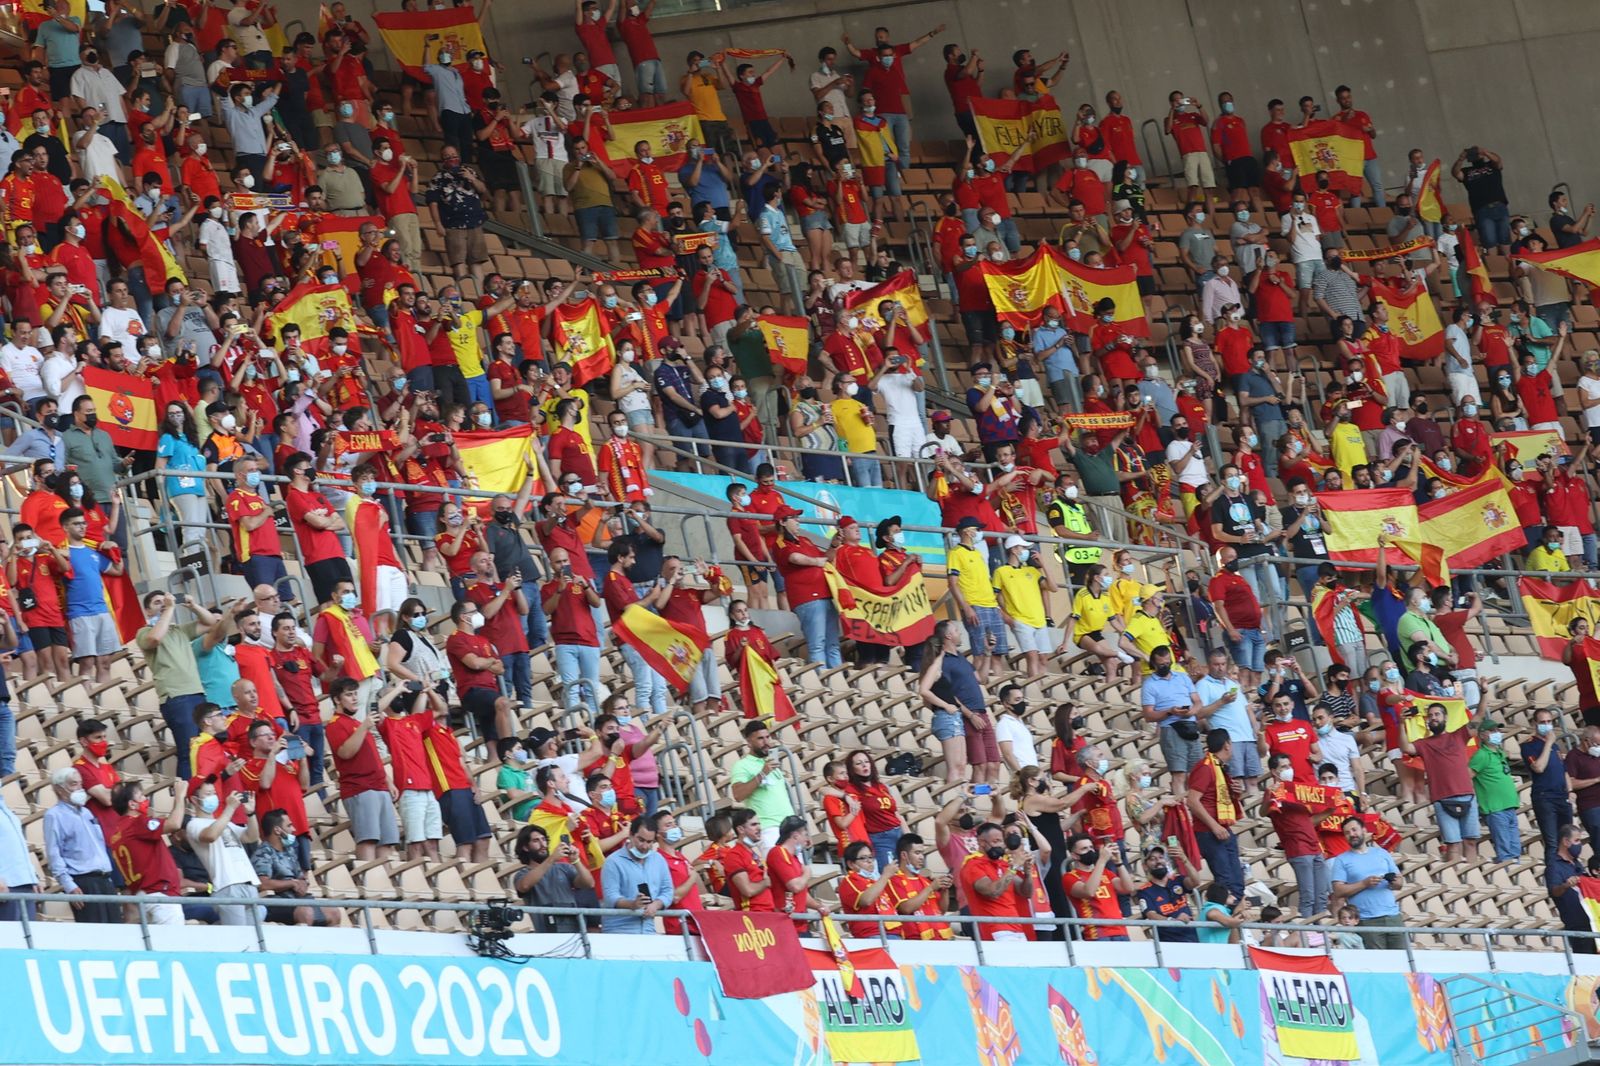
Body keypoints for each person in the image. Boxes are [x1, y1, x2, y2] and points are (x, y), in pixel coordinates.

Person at [322, 677, 400, 862]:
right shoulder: (335, 723)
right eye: (349, 694)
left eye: (355, 693)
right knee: (368, 840)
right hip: (360, 787)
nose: (355, 698)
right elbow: (346, 753)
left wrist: (388, 781)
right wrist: (364, 726)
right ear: (336, 699)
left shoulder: (357, 723)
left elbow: (372, 757)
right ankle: (372, 884)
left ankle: (386, 884)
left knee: (387, 843)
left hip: (379, 786)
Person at [135, 591, 209, 780]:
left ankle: (205, 792)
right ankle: (186, 796)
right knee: (188, 750)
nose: (162, 604)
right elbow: (155, 639)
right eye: (157, 603)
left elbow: (210, 622)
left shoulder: (179, 630)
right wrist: (169, 609)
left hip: (197, 693)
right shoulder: (143, 632)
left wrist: (194, 606)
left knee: (205, 748)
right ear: (147, 611)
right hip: (176, 697)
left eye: (164, 601)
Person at [919, 619, 999, 785]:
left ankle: (987, 801)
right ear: (948, 635)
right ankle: (971, 803)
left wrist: (987, 652)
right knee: (978, 765)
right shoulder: (943, 662)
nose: (960, 632)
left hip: (981, 712)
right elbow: (945, 692)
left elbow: (982, 679)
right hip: (966, 714)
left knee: (993, 764)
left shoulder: (960, 657)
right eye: (956, 630)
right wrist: (968, 714)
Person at [1399, 701, 1481, 862]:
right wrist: (1402, 724)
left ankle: (1473, 877)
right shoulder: (1424, 743)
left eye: (1437, 714)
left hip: (1468, 796)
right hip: (1443, 799)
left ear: (1446, 717)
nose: (1433, 718)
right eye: (1430, 716)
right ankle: (1455, 879)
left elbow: (1479, 716)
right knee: (1453, 844)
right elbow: (1406, 748)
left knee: (1471, 842)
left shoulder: (1459, 735)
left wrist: (1483, 694)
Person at [42, 767, 119, 923]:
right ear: (59, 789)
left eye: (80, 784)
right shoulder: (54, 815)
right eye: (73, 784)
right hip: (84, 881)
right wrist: (68, 885)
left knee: (115, 930)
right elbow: (54, 853)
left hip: (104, 880)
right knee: (95, 933)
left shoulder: (87, 812)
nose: (79, 788)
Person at [185, 777, 263, 926]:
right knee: (238, 939)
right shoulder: (193, 824)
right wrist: (230, 809)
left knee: (254, 938)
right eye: (208, 794)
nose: (213, 797)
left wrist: (251, 814)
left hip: (248, 882)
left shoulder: (226, 822)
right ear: (194, 800)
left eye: (214, 792)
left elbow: (251, 836)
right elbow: (210, 835)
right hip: (226, 885)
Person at [1262, 753, 1331, 917]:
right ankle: (1307, 936)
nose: (1289, 769)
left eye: (1289, 766)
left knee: (1321, 898)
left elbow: (1309, 821)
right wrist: (1269, 797)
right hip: (1298, 849)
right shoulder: (1274, 791)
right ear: (1274, 772)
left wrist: (1331, 810)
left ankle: (1322, 938)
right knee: (1308, 898)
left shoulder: (1299, 790)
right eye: (1284, 767)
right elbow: (1264, 811)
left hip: (1315, 847)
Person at [1329, 815, 1404, 949]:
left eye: (1354, 830)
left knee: (1403, 963)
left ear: (1363, 830)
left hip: (1393, 917)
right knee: (1376, 965)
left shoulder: (1382, 853)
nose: (1352, 834)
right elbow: (1338, 891)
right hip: (1366, 920)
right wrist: (1364, 883)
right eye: (1347, 833)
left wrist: (1393, 880)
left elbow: (1399, 883)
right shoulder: (1341, 859)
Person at [1186, 729, 1244, 898]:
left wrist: (1236, 793)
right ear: (1227, 745)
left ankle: (1235, 917)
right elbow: (1193, 801)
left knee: (1237, 882)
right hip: (1208, 831)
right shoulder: (1205, 767)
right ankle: (1221, 917)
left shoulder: (1219, 767)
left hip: (1224, 829)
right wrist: (1215, 826)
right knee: (1224, 880)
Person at [958, 821, 1035, 942]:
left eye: (1001, 841)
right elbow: (992, 892)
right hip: (994, 928)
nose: (1000, 845)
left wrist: (1028, 873)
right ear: (982, 842)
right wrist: (1014, 867)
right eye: (995, 841)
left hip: (1016, 927)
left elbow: (1026, 893)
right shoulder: (973, 865)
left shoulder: (1003, 864)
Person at [511, 825, 593, 931]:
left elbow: (589, 883)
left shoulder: (564, 868)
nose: (542, 844)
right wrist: (552, 858)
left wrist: (576, 861)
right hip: (547, 934)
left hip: (574, 931)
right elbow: (524, 886)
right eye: (536, 841)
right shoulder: (522, 874)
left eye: (544, 839)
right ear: (525, 847)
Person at [600, 816, 673, 933]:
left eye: (650, 842)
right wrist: (632, 904)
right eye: (641, 840)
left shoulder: (659, 860)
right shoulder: (613, 861)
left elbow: (668, 891)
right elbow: (610, 896)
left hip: (648, 930)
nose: (645, 846)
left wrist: (656, 904)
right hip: (618, 931)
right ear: (630, 835)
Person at [729, 721, 793, 852]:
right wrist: (762, 773)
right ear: (748, 741)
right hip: (768, 827)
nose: (766, 742)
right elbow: (738, 795)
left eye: (767, 737)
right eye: (760, 738)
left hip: (789, 826)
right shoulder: (742, 765)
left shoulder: (770, 762)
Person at [1061, 832, 1136, 941]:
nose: (1090, 851)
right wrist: (1101, 860)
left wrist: (1118, 862)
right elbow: (1089, 891)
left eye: (1091, 847)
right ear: (1074, 855)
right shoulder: (1069, 877)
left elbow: (1128, 888)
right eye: (1084, 849)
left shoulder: (1105, 872)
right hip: (1097, 933)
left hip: (1120, 929)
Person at [1522, 706, 1573, 856]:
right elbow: (1538, 767)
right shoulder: (1528, 745)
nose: (1547, 725)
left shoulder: (1556, 746)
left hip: (1562, 796)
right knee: (1552, 842)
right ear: (1534, 724)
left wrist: (1570, 791)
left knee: (1568, 839)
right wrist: (1548, 744)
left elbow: (1563, 771)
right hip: (1545, 797)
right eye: (1543, 722)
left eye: (1549, 721)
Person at [1469, 720, 1521, 862]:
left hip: (1509, 806)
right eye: (1492, 731)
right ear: (1482, 735)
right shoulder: (1481, 755)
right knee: (1505, 851)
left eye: (1498, 730)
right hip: (1495, 808)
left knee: (1515, 850)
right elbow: (1467, 776)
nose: (1497, 733)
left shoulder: (1499, 753)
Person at [1547, 824, 1595, 955]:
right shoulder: (1554, 866)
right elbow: (1554, 891)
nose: (1579, 845)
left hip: (1592, 922)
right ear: (1566, 841)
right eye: (1577, 840)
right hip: (1577, 926)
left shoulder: (1577, 863)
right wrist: (1566, 885)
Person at [1136, 844, 1200, 942]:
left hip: (1192, 938)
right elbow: (1151, 915)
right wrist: (1173, 921)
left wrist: (1184, 859)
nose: (1158, 861)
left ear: (1166, 861)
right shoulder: (1144, 891)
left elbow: (1196, 881)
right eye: (1152, 859)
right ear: (1145, 866)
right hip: (1169, 943)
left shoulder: (1178, 880)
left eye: (1161, 857)